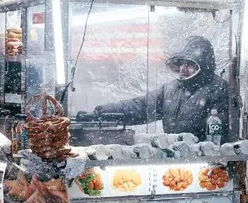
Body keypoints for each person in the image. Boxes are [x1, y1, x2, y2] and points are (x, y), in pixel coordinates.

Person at [92, 36, 231, 143]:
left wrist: (197, 148)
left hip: (205, 162)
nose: (183, 68)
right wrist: (103, 112)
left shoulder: (218, 89)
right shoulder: (170, 89)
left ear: (204, 65)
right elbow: (141, 107)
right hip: (176, 156)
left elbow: (219, 132)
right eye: (181, 63)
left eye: (190, 64)